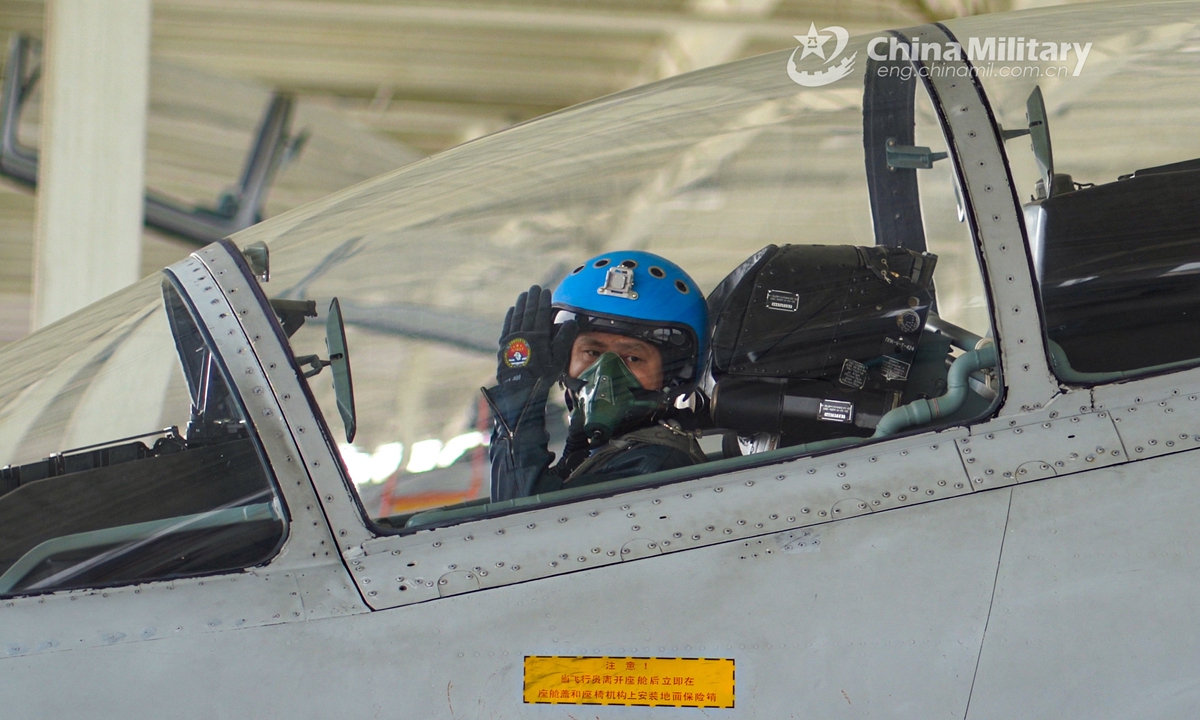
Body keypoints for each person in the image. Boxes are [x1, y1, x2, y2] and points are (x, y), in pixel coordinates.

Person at [484, 251, 710, 502]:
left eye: (633, 358)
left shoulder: (654, 466)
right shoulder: (615, 452)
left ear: (672, 376)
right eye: (592, 352)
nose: (605, 375)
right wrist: (576, 449)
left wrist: (519, 393)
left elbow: (520, 521)